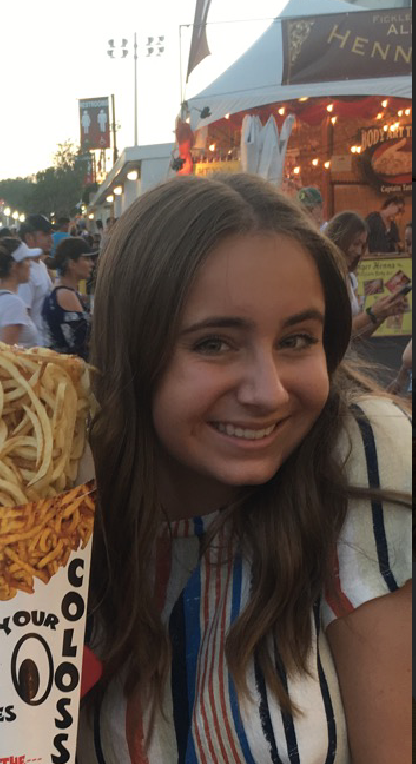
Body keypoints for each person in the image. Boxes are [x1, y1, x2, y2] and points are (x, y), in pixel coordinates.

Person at [82, 173, 411, 763]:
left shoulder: (357, 451)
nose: (270, 392)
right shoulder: (59, 503)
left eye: (296, 339)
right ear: (133, 351)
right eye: (214, 344)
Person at [324, 211, 408, 340]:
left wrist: (383, 313)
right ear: (339, 240)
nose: (358, 251)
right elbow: (336, 334)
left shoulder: (351, 278)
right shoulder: (323, 279)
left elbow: (357, 337)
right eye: (355, 244)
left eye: (362, 246)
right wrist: (372, 313)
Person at [0, 237, 41, 347]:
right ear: (14, 266)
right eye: (26, 260)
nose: (30, 264)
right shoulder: (13, 303)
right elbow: (7, 352)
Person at [42, 237, 94, 359]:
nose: (92, 264)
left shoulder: (60, 290)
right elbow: (80, 341)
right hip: (71, 367)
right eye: (86, 259)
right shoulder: (67, 295)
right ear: (72, 264)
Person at [17, 214, 54, 346]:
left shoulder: (41, 265)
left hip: (45, 343)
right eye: (45, 234)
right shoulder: (26, 272)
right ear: (28, 237)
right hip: (33, 349)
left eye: (51, 234)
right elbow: (22, 316)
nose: (51, 239)